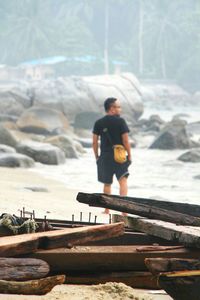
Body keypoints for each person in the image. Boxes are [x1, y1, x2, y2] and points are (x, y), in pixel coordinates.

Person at [92, 97, 131, 213]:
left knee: (107, 184)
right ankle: (124, 211)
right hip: (119, 156)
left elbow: (94, 142)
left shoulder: (99, 123)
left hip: (105, 157)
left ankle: (106, 210)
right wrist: (129, 154)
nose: (120, 109)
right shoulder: (121, 122)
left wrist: (97, 157)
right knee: (122, 182)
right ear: (112, 108)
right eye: (118, 107)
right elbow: (126, 141)